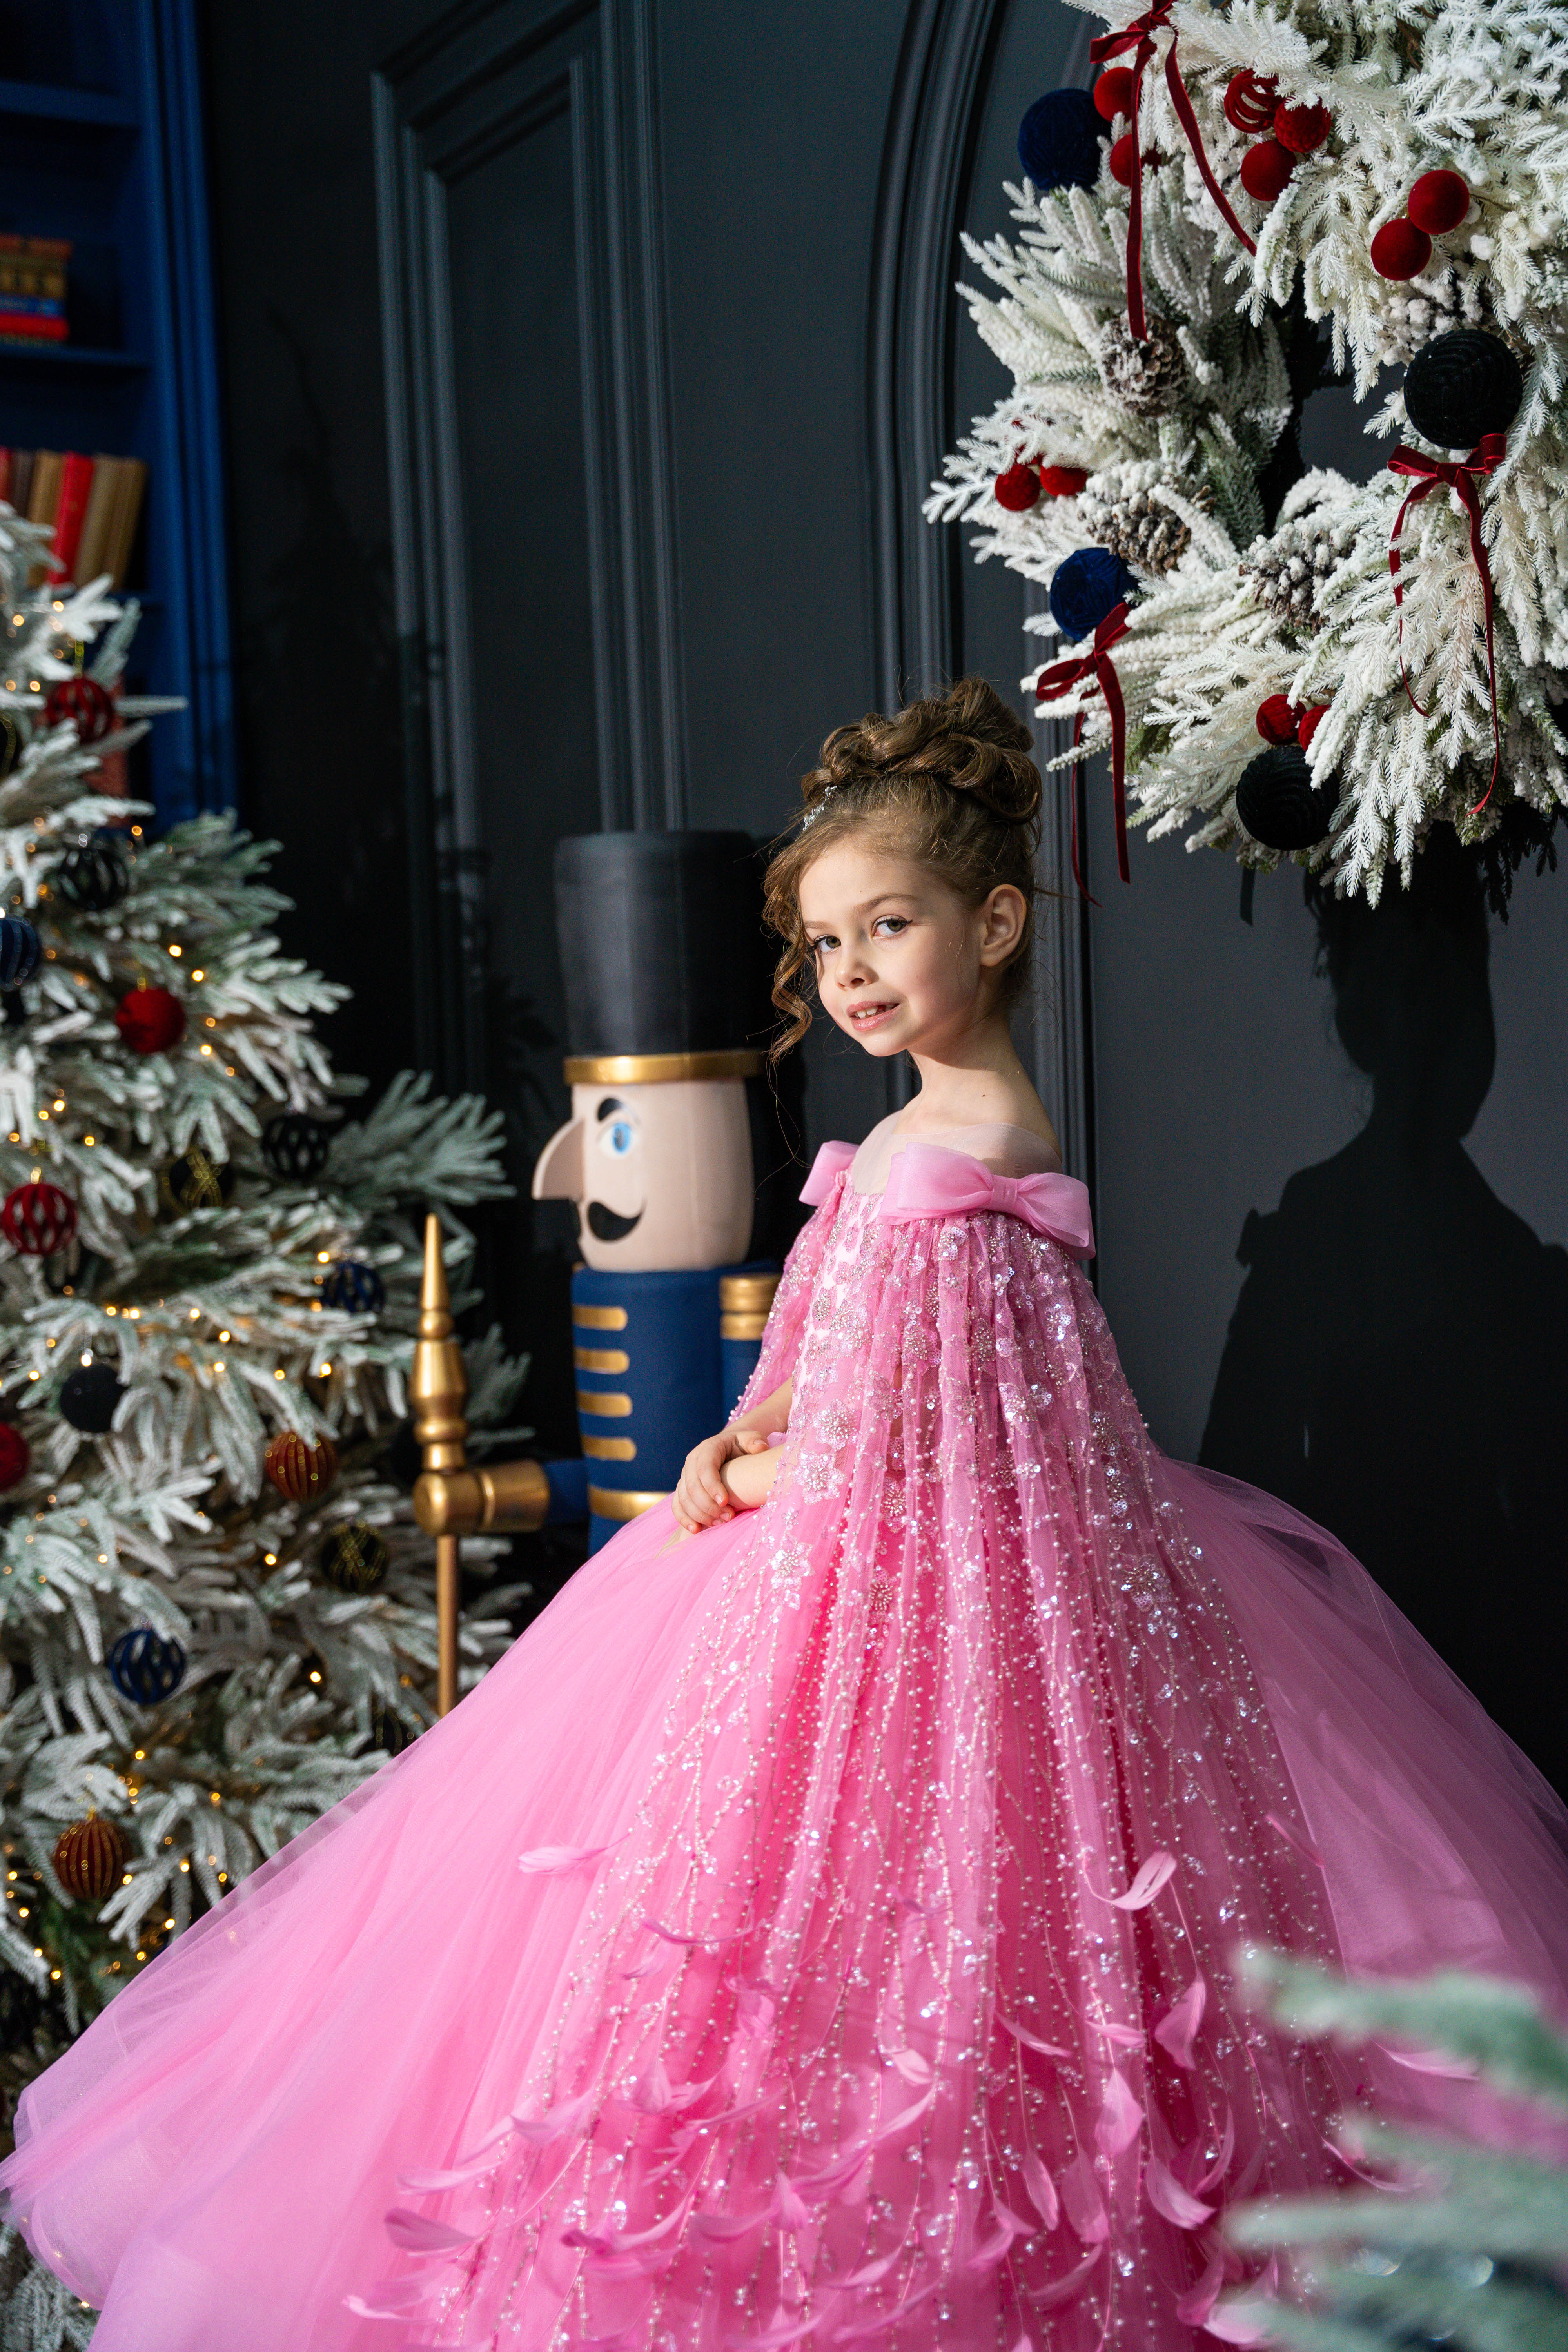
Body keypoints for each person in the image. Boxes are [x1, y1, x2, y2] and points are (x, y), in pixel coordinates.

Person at [4, 681, 1567, 2352]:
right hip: (948, 1577)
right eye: (827, 946)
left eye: (888, 926)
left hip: (925, 1606)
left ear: (996, 919)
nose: (855, 973)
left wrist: (747, 1468)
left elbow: (902, 1443)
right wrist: (746, 1432)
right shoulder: (910, 1143)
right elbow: (828, 1368)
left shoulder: (944, 1165)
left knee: (855, 1949)